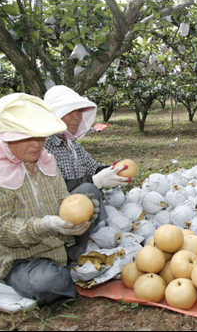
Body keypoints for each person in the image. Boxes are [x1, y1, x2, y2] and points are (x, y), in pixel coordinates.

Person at [0, 93, 100, 308]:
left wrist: (81, 210)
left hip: (57, 245)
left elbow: (61, 200)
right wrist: (46, 224)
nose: (37, 144)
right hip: (20, 259)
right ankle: (12, 282)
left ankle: (67, 264)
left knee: (88, 191)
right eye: (26, 136)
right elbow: (1, 230)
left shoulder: (45, 162)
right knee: (51, 283)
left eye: (40, 136)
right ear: (7, 136)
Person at [43, 85, 130, 262]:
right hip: (57, 216)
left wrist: (111, 170)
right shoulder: (45, 145)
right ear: (55, 114)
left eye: (79, 111)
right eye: (70, 111)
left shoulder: (72, 145)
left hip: (81, 212)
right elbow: (53, 186)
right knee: (88, 189)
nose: (77, 116)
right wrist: (96, 180)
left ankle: (103, 237)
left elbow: (93, 167)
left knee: (89, 188)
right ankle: (78, 249)